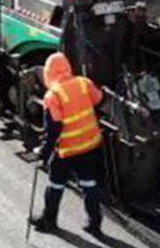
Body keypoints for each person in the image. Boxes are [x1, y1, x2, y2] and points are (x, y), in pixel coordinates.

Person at [30, 52, 105, 236]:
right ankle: (94, 224)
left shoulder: (52, 95)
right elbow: (99, 99)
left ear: (49, 72)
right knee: (89, 184)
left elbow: (54, 129)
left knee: (56, 185)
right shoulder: (83, 82)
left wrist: (44, 152)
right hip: (90, 144)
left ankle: (48, 221)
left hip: (67, 149)